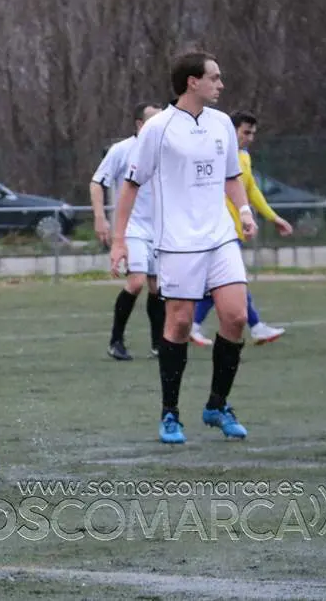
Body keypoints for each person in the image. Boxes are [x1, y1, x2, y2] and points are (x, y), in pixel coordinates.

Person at [111, 50, 257, 445]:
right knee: (177, 324)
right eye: (214, 77)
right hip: (177, 243)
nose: (220, 84)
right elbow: (131, 185)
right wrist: (119, 240)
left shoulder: (222, 123)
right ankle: (170, 413)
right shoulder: (157, 129)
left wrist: (244, 211)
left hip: (220, 236)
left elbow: (231, 176)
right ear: (193, 82)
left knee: (236, 316)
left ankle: (217, 405)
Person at [190, 111, 293, 346]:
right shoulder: (214, 154)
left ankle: (194, 326)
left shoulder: (244, 156)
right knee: (231, 280)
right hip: (217, 230)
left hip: (234, 230)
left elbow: (251, 189)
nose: (250, 138)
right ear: (231, 130)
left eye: (253, 133)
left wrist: (273, 217)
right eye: (246, 132)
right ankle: (255, 327)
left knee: (221, 283)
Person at [90, 101, 165, 361]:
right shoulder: (122, 150)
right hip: (131, 227)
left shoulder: (166, 150)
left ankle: (158, 344)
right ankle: (116, 341)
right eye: (153, 120)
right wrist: (100, 217)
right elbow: (97, 183)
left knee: (157, 287)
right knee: (136, 281)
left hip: (160, 229)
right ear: (140, 124)